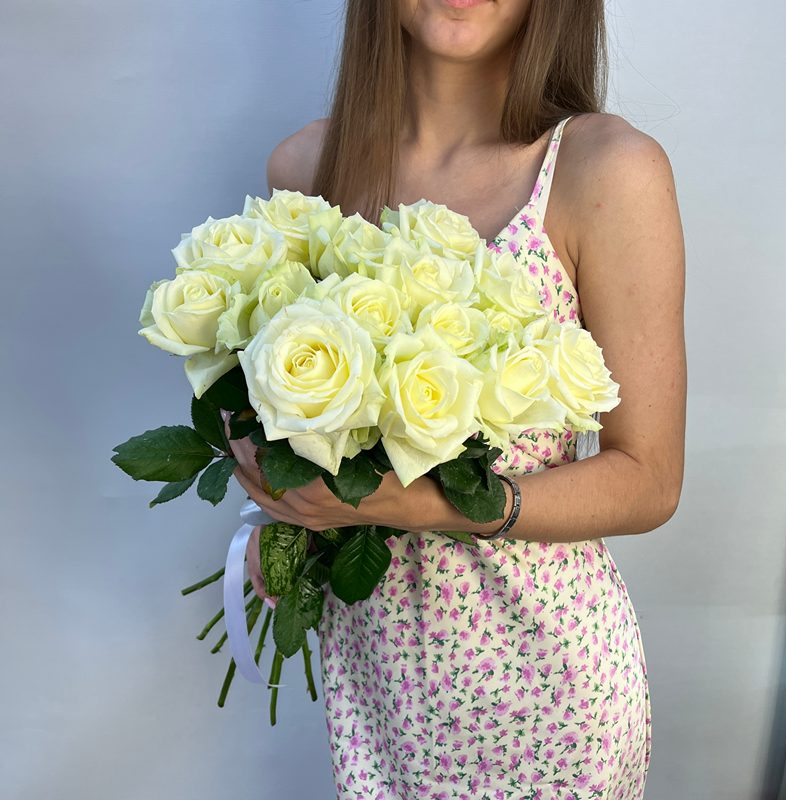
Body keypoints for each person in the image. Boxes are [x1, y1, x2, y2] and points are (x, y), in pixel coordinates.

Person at [230, 0, 686, 796]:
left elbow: (648, 478)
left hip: (546, 695)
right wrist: (275, 482)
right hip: (379, 683)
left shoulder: (603, 170)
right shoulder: (306, 170)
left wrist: (419, 506)